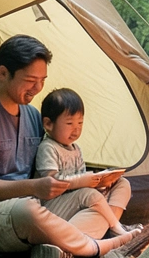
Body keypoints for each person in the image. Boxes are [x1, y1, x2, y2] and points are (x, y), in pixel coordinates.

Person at [0, 35, 134, 258]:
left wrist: (93, 181)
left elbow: (53, 159)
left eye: (42, 80)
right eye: (30, 80)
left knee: (119, 186)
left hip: (37, 204)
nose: (37, 88)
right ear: (4, 73)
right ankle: (101, 244)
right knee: (27, 210)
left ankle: (61, 245)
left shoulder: (33, 116)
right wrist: (33, 187)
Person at [34, 88, 137, 236]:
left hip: (78, 200)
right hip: (54, 207)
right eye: (69, 124)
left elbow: (82, 180)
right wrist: (84, 181)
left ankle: (110, 225)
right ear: (48, 124)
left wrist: (102, 183)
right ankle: (115, 227)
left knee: (122, 184)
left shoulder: (76, 149)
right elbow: (51, 183)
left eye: (80, 123)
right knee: (89, 194)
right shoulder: (48, 148)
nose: (76, 130)